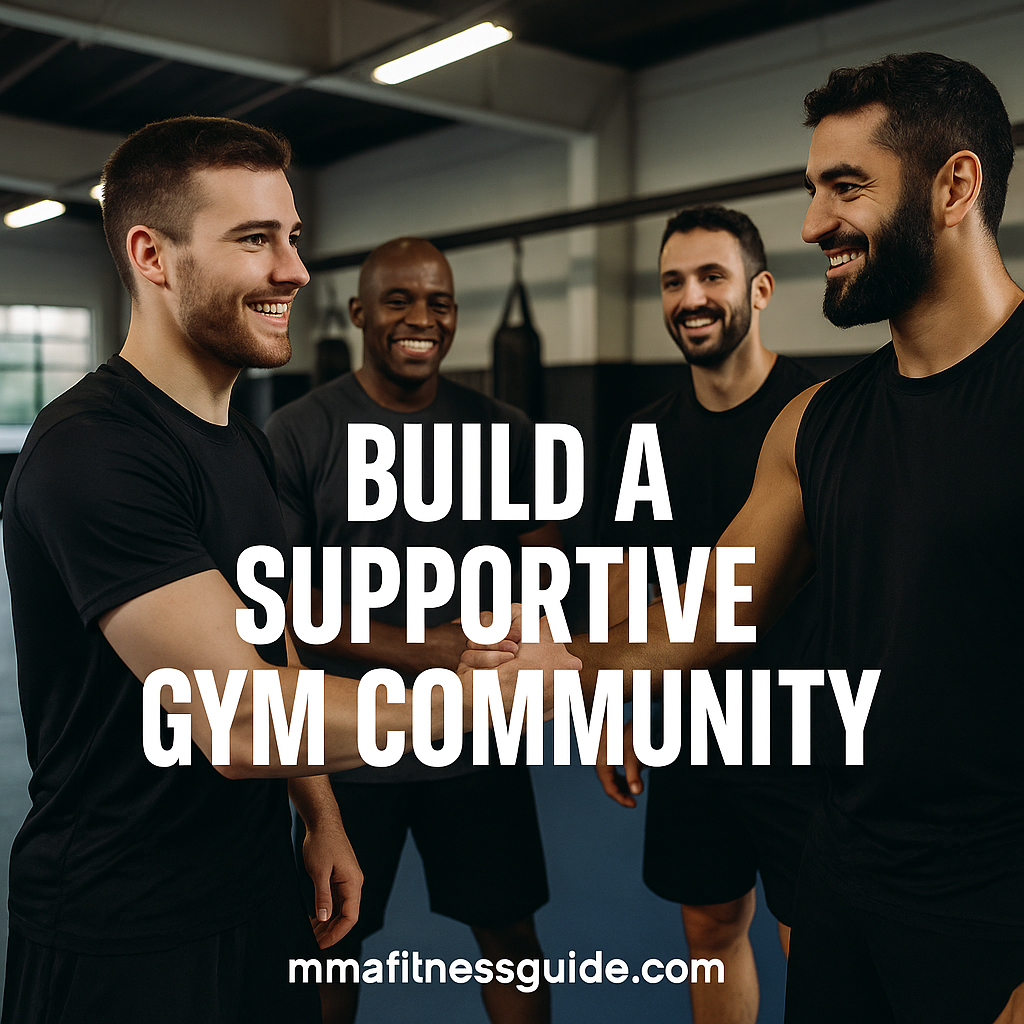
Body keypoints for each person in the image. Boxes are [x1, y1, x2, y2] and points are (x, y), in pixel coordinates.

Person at [470, 52, 1024, 1024]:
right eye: (812, 190)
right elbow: (703, 617)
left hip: (994, 904)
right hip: (849, 868)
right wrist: (560, 665)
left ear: (955, 186)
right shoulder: (816, 427)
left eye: (845, 187)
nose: (813, 224)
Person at [1, 118, 575, 1024]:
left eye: (293, 237)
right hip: (125, 926)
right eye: (254, 239)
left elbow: (271, 641)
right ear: (152, 256)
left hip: (250, 883)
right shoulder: (94, 450)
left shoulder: (241, 446)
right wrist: (476, 698)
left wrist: (322, 817)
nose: (296, 271)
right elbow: (240, 721)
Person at [266, 236, 561, 1024]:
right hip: (350, 747)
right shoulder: (299, 433)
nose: (421, 318)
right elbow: (282, 599)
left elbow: (543, 570)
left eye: (439, 302)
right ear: (360, 313)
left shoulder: (507, 430)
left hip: (476, 745)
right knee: (330, 944)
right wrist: (432, 647)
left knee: (510, 935)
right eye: (399, 300)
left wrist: (527, 638)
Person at [594, 205, 824, 1024]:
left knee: (817, 942)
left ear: (760, 290)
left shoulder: (822, 414)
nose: (690, 297)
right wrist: (613, 709)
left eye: (711, 276)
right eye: (673, 281)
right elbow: (624, 578)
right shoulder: (644, 437)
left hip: (806, 730)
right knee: (711, 926)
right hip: (693, 728)